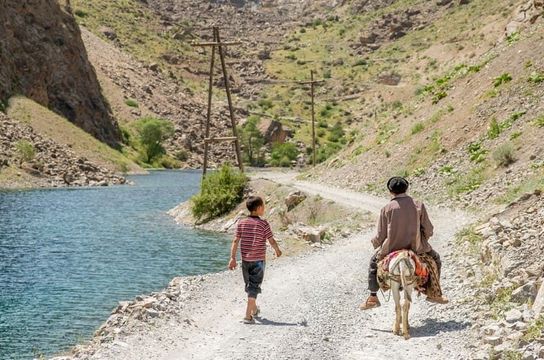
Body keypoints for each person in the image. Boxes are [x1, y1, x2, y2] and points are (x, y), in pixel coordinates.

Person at [360, 177, 448, 310]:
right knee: (436, 259)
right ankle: (434, 293)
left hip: (391, 249)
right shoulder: (418, 205)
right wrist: (424, 239)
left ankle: (373, 297)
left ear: (390, 191)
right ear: (407, 188)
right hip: (417, 249)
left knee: (373, 263)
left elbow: (381, 235)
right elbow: (429, 229)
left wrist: (375, 242)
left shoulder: (386, 209)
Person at [228, 196, 282, 324]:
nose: (264, 209)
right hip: (258, 261)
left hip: (245, 261)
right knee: (253, 287)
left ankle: (254, 309)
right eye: (263, 206)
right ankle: (248, 316)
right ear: (258, 209)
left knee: (250, 286)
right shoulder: (263, 224)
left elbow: (235, 241)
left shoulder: (241, 223)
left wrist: (232, 258)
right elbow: (271, 240)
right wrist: (277, 250)